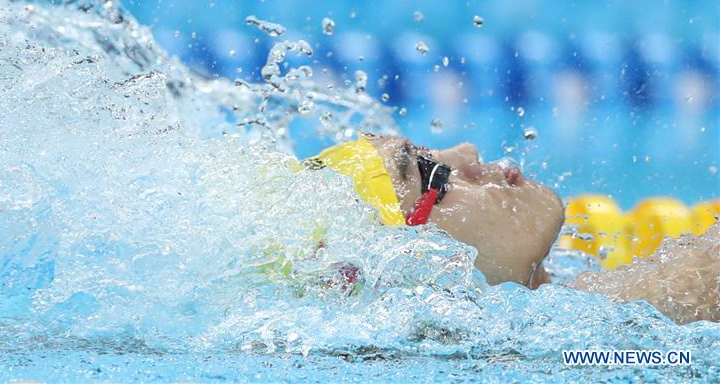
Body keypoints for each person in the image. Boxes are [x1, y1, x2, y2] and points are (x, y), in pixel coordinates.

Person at [306, 133, 719, 325]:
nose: (467, 151)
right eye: (435, 176)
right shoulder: (618, 319)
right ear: (408, 264)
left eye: (430, 150)